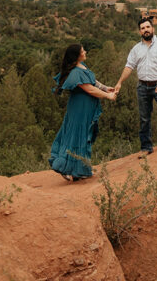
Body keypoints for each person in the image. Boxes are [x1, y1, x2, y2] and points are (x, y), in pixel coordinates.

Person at [49, 44, 116, 182]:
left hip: (85, 108)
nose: (85, 51)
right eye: (82, 51)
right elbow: (90, 89)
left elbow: (92, 81)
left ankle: (80, 170)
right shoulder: (75, 73)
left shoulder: (82, 66)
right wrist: (107, 96)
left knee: (83, 135)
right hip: (79, 109)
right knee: (75, 135)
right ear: (77, 55)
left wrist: (105, 88)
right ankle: (65, 168)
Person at [114, 16, 157, 158]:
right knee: (144, 118)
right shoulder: (136, 49)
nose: (146, 30)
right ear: (140, 32)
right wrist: (119, 82)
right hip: (143, 87)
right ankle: (146, 147)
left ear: (152, 29)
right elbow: (129, 66)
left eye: (147, 27)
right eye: (143, 28)